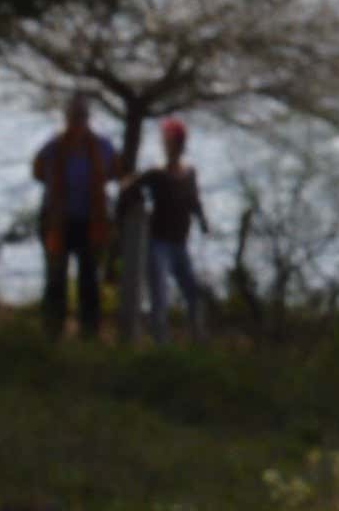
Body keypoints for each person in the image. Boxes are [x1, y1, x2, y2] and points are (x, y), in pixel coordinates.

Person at [28, 93, 123, 338]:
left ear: (88, 119)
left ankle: (89, 333)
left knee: (89, 279)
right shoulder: (53, 148)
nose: (78, 122)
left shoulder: (101, 147)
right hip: (58, 221)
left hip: (90, 222)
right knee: (55, 279)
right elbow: (37, 172)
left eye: (82, 116)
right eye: (74, 116)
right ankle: (52, 331)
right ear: (67, 118)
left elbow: (116, 171)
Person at [137, 118, 213, 339]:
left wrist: (203, 222)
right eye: (169, 141)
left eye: (175, 141)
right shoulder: (156, 174)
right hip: (158, 242)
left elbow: (194, 201)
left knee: (193, 293)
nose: (171, 145)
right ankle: (161, 345)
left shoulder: (189, 174)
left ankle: (198, 339)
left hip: (180, 243)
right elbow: (131, 186)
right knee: (160, 297)